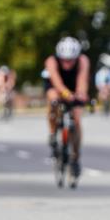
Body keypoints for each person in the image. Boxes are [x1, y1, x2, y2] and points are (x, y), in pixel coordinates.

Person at [44, 37, 90, 177]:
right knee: (53, 100)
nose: (67, 63)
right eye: (64, 60)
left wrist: (81, 95)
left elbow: (82, 80)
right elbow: (56, 81)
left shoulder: (83, 60)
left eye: (71, 60)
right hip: (56, 86)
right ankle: (53, 133)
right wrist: (65, 94)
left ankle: (75, 157)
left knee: (76, 119)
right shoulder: (51, 61)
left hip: (73, 86)